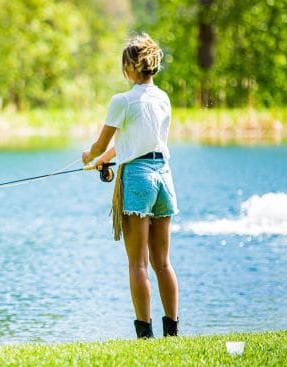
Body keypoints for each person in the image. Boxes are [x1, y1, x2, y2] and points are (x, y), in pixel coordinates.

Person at [82, 33, 179, 339]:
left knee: (138, 263)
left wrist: (90, 156)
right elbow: (140, 142)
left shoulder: (121, 101)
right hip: (163, 175)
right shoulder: (162, 98)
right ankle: (172, 331)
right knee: (162, 262)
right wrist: (105, 159)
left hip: (137, 178)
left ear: (129, 67)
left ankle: (144, 334)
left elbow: (100, 145)